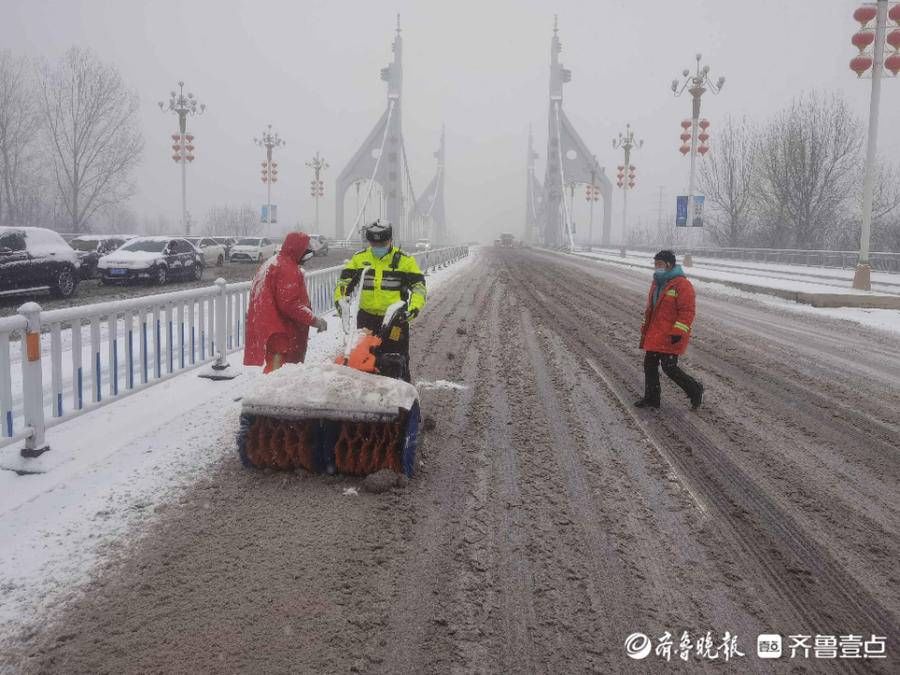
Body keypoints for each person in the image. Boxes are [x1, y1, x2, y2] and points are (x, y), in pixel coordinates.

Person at [333, 221, 426, 382]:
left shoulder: (405, 261)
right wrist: (341, 301)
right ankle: (367, 400)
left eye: (382, 243)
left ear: (390, 240)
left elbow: (419, 287)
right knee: (363, 360)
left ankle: (402, 400)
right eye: (374, 243)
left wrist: (413, 308)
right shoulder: (360, 259)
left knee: (396, 361)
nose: (378, 246)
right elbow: (343, 284)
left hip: (395, 320)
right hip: (366, 320)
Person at [243, 231, 328, 373]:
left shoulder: (273, 263)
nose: (306, 256)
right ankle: (271, 395)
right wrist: (314, 320)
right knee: (280, 374)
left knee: (276, 369)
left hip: (271, 327)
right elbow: (290, 304)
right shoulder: (287, 269)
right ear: (298, 250)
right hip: (283, 331)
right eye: (305, 251)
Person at [636, 249, 704, 409]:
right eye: (655, 264)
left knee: (669, 368)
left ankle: (695, 390)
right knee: (650, 365)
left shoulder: (682, 284)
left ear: (669, 264)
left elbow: (687, 311)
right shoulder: (657, 282)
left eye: (659, 264)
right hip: (655, 333)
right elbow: (651, 309)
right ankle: (652, 398)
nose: (656, 267)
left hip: (671, 334)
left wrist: (679, 331)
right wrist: (645, 327)